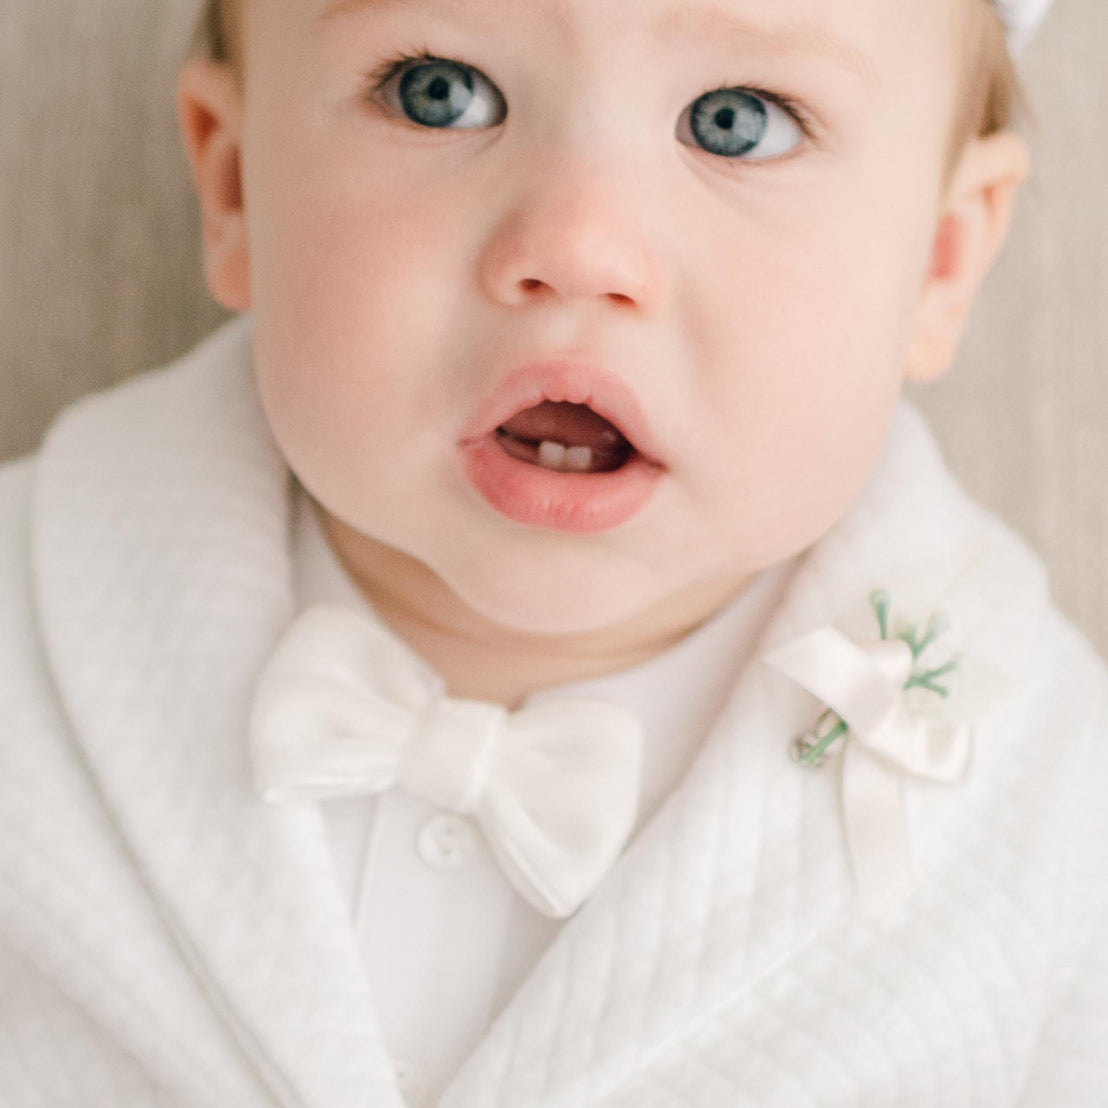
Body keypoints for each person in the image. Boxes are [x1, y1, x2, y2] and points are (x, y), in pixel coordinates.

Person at [0, 0, 1103, 1104]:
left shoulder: (1053, 817)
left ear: (941, 258)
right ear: (236, 186)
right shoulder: (27, 652)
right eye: (440, 91)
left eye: (736, 121)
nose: (576, 248)